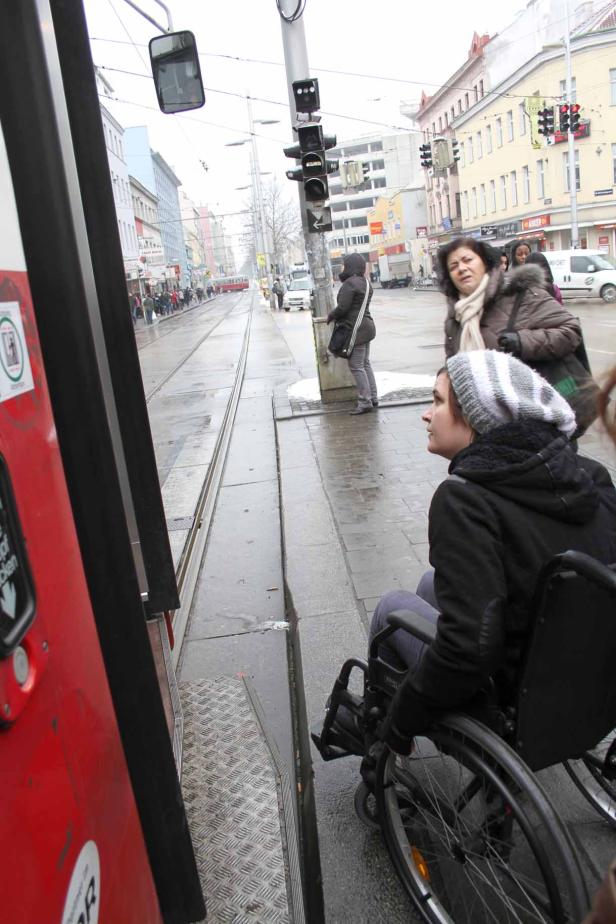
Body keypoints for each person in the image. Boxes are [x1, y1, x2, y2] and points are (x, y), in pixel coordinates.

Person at [368, 350, 616, 753]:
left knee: (391, 609)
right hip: (591, 692)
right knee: (430, 585)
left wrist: (404, 716)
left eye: (437, 401)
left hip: (507, 704)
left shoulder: (465, 502)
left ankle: (382, 740)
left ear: (477, 418)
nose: (426, 415)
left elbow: (468, 648)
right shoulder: (592, 477)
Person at [439, 236, 581, 363]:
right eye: (453, 266)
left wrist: (522, 342)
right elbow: (452, 364)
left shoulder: (524, 295)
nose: (461, 268)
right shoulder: (456, 316)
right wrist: (444, 377)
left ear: (485, 263)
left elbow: (572, 330)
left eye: (468, 260)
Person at [326, 253, 378, 415]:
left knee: (356, 366)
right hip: (367, 327)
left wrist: (331, 315)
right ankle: (373, 397)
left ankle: (365, 401)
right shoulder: (365, 283)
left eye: (345, 265)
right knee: (365, 363)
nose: (343, 268)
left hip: (357, 329)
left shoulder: (350, 284)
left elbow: (343, 308)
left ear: (351, 266)